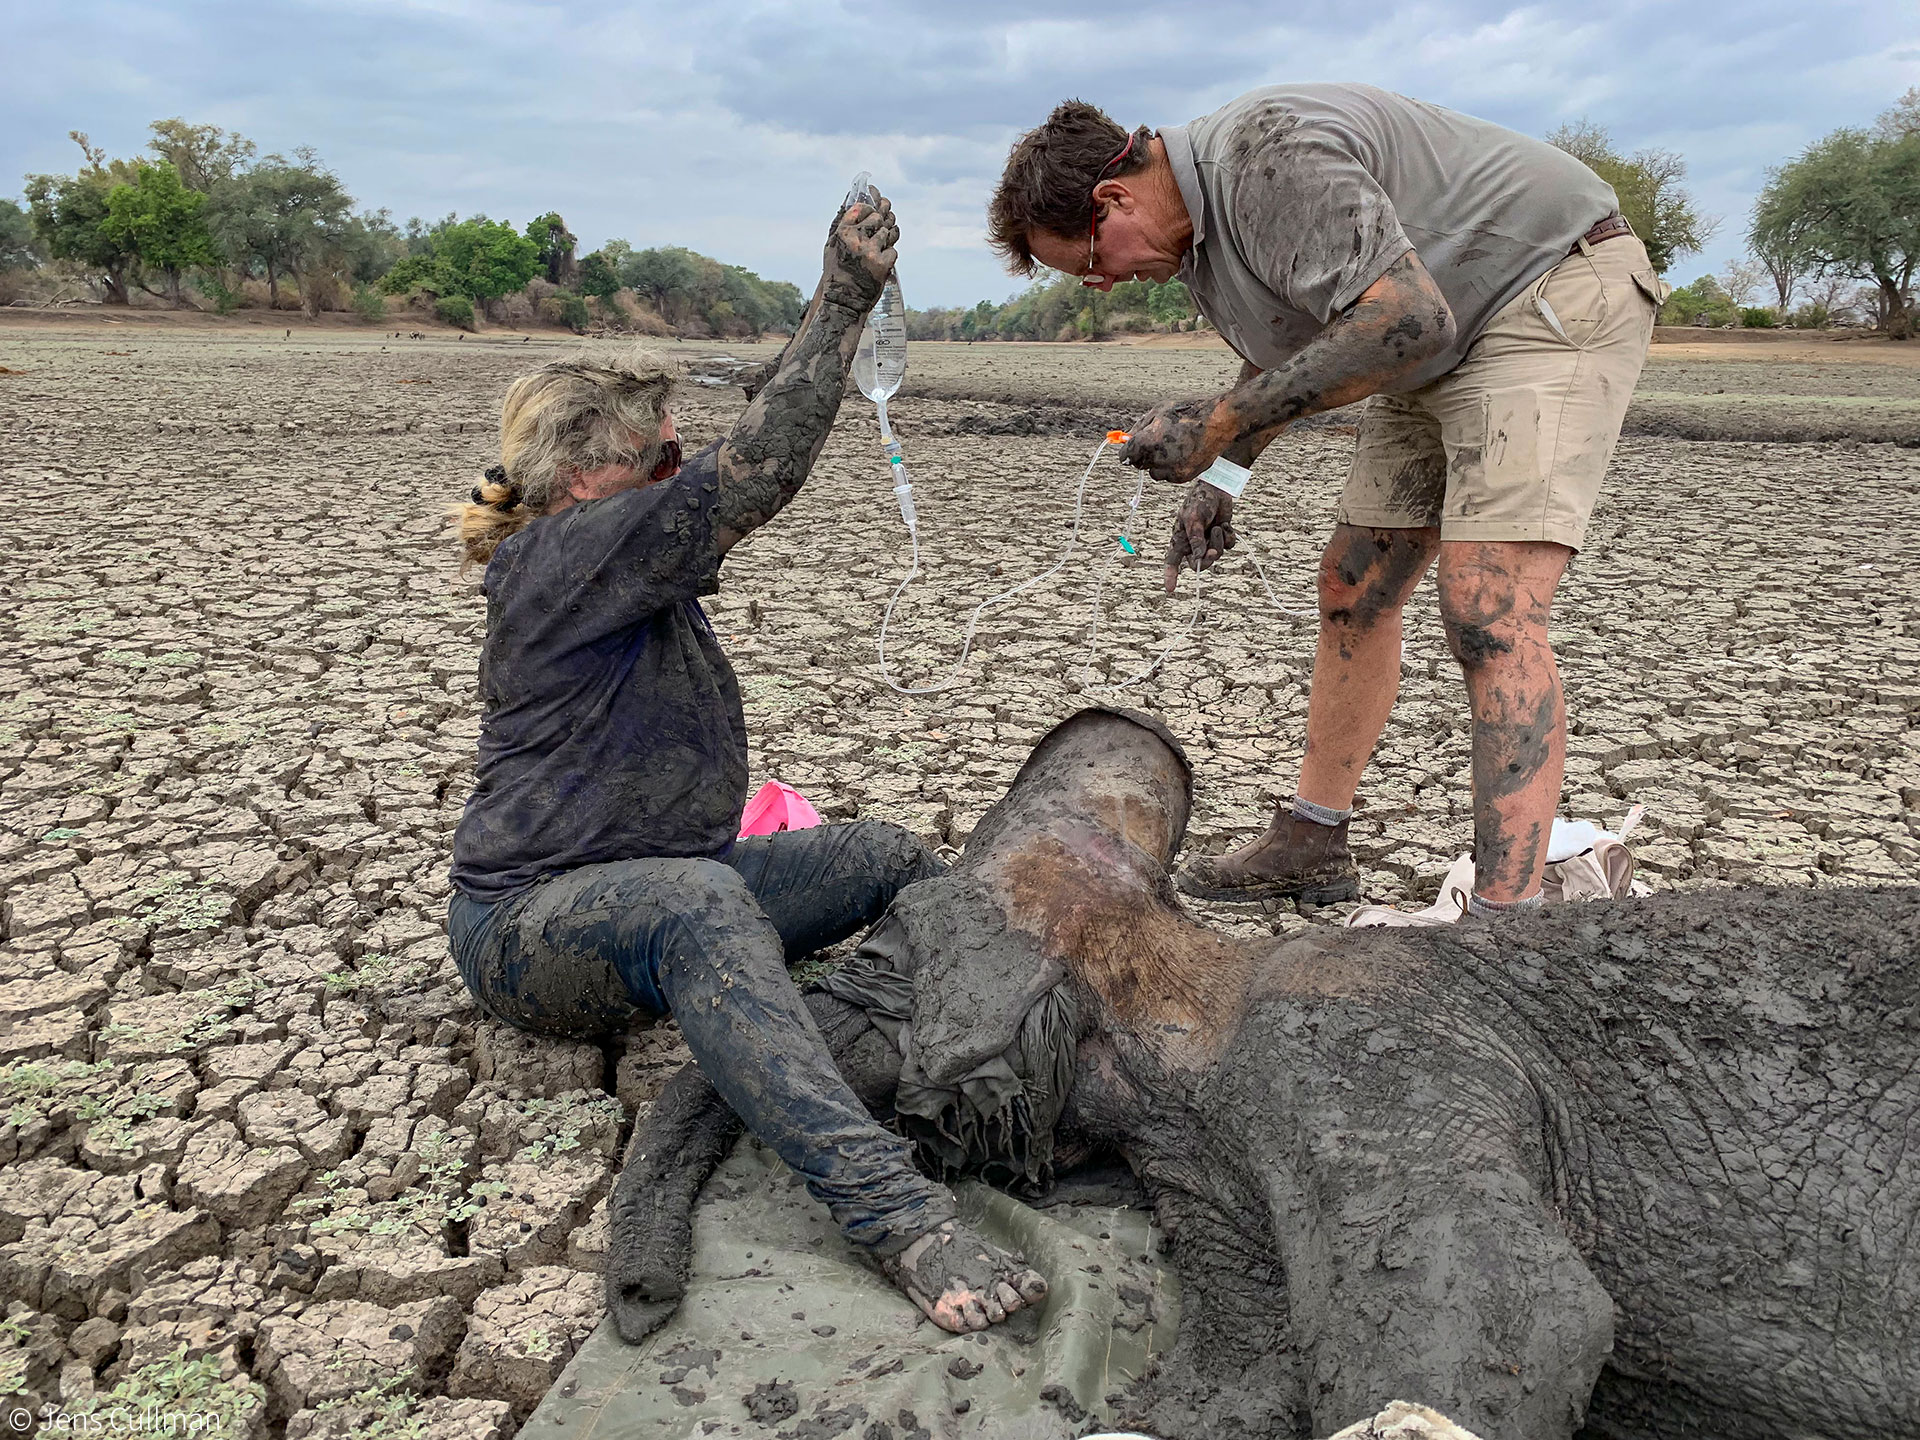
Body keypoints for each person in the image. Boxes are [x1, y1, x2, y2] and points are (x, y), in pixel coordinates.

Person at [444, 192, 1047, 1334]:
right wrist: (847, 308)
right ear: (583, 477)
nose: (678, 470)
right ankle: (892, 1214)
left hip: (671, 873)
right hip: (529, 932)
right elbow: (760, 466)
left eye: (678, 452)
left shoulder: (616, 525)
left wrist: (830, 300)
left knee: (881, 857)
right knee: (704, 903)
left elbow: (753, 426)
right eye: (656, 457)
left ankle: (956, 1056)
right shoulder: (568, 553)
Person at [986, 86, 1667, 919]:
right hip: (1431, 342)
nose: (1102, 285)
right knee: (1354, 587)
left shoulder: (1266, 161)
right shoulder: (1198, 249)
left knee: (1488, 606)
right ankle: (1313, 841)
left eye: (1091, 261)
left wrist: (1220, 425)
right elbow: (1290, 353)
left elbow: (1407, 317)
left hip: (1544, 292)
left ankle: (1505, 924)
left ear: (1113, 197)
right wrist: (1222, 477)